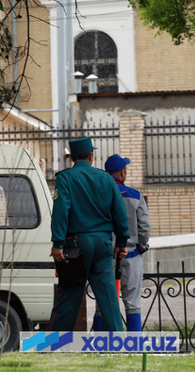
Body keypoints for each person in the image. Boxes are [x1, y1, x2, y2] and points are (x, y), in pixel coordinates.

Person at [48, 137, 129, 332]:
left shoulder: (65, 178)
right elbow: (119, 212)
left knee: (68, 296)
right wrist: (122, 242)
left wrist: (57, 243)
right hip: (102, 243)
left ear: (72, 158)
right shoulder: (106, 178)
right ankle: (117, 344)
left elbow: (61, 210)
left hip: (75, 246)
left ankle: (53, 346)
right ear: (91, 155)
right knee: (109, 297)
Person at [91, 154, 151, 332]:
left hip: (105, 257)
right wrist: (141, 246)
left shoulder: (96, 197)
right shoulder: (135, 196)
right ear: (122, 173)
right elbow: (144, 226)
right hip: (131, 255)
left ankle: (99, 345)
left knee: (103, 303)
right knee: (132, 303)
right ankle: (134, 346)